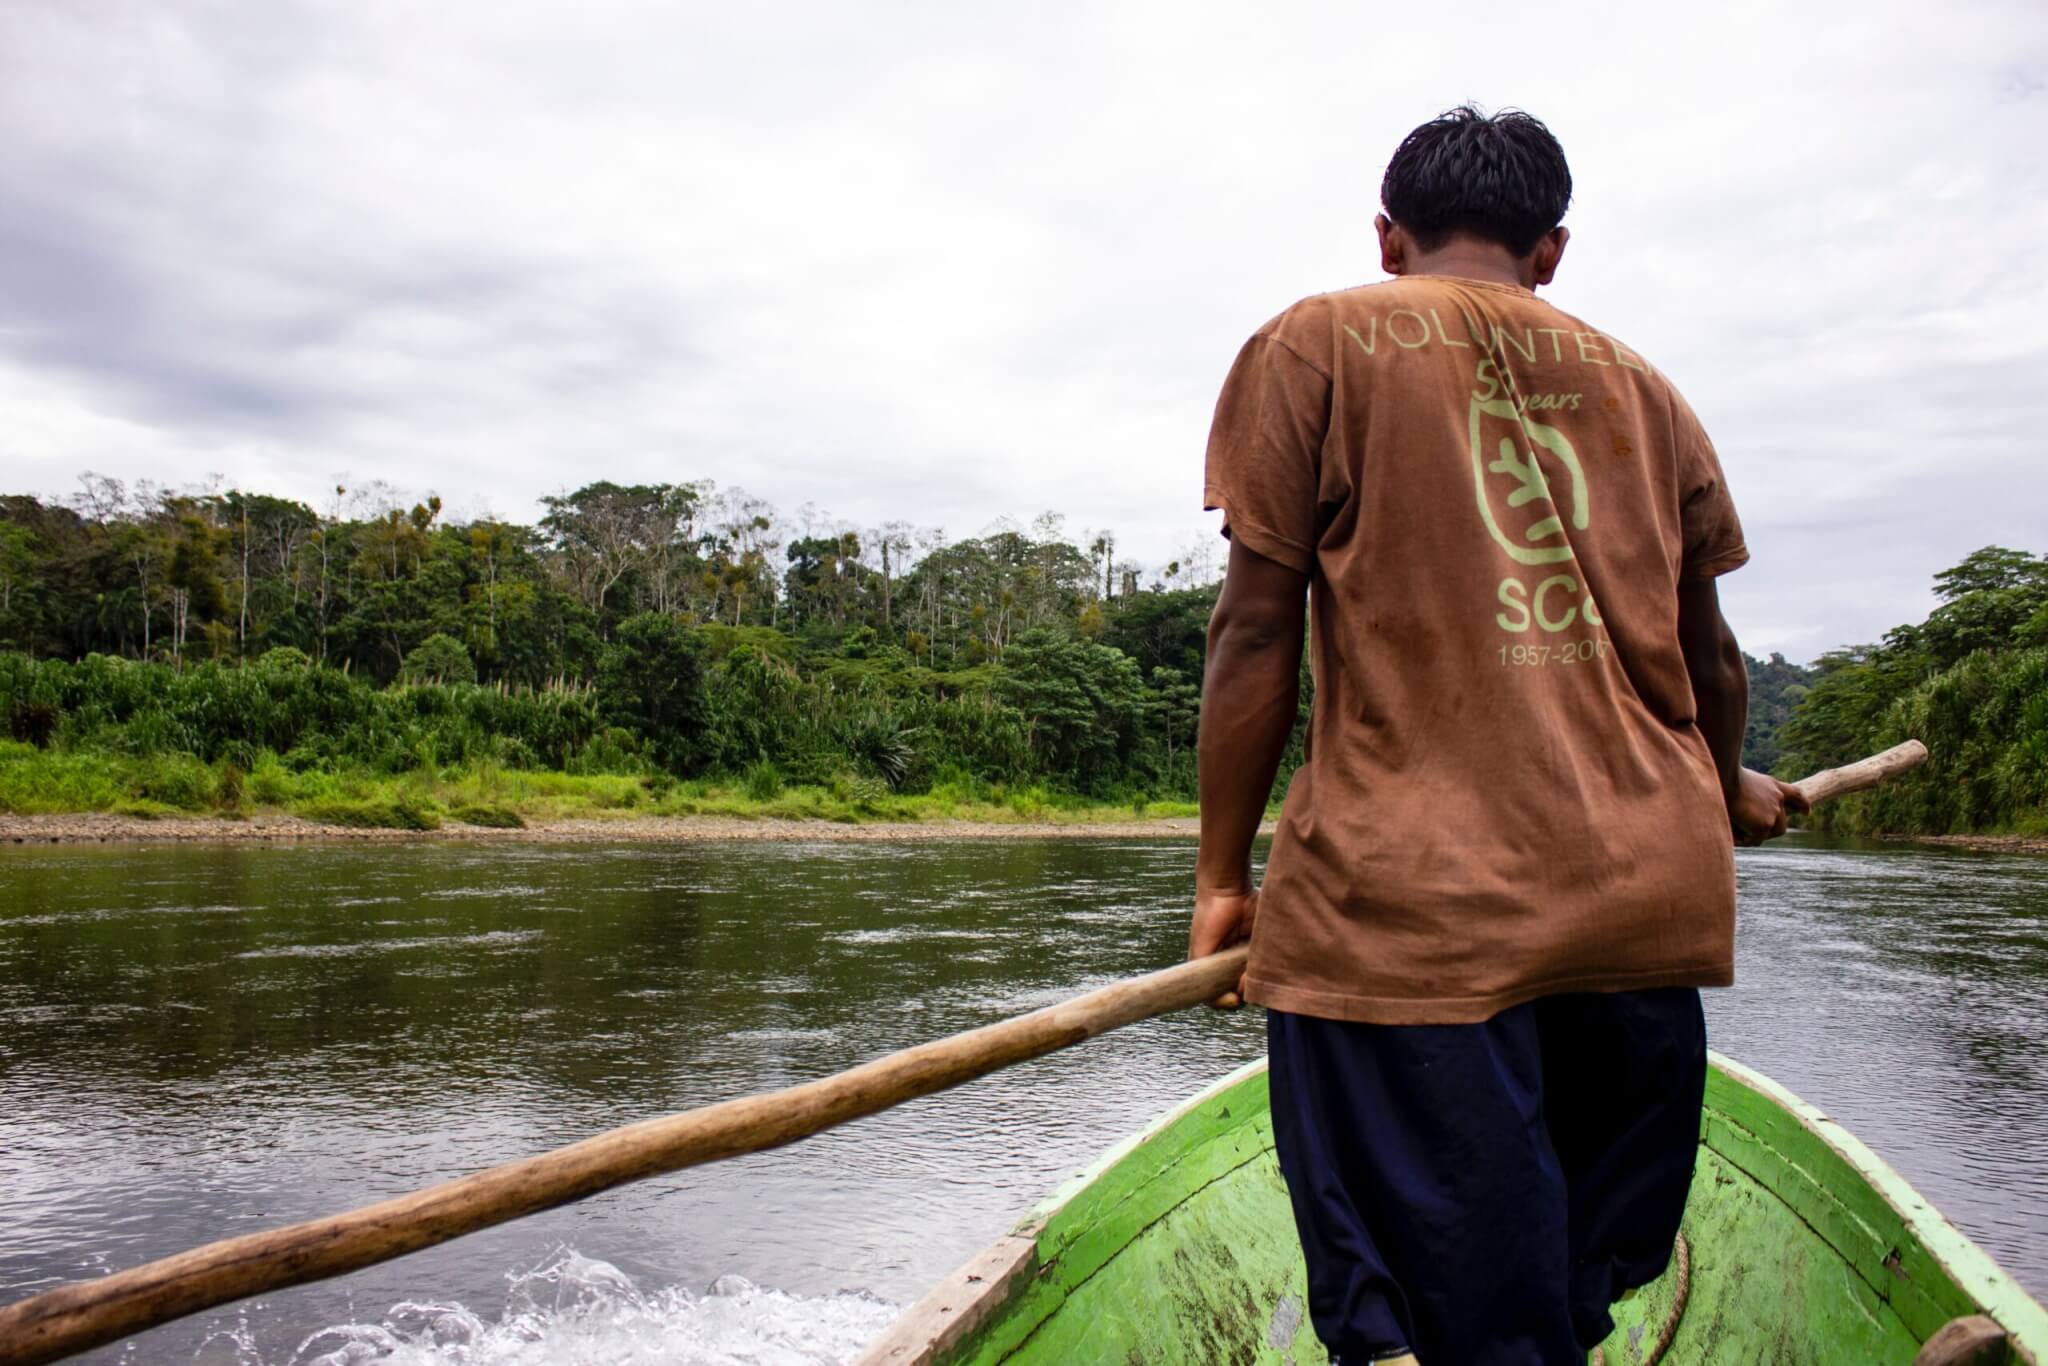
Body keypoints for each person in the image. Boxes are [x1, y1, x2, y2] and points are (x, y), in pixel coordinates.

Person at [1186, 105, 1807, 1365]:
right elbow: (1711, 661)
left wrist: (1219, 880)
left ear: (1386, 235)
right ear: (1550, 249)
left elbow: (1252, 636)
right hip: (1642, 902)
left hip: (1414, 905)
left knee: (1434, 1302)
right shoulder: (1650, 391)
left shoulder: (1316, 343)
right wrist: (1720, 778)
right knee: (1569, 1278)